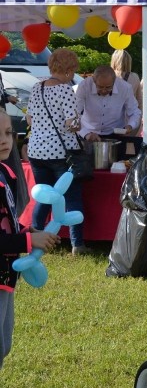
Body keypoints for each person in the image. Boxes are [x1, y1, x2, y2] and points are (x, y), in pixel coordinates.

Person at [0, 109, 61, 388]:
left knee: (2, 344)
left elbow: (6, 220)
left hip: (5, 277)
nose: (4, 140)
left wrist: (28, 230)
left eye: (9, 133)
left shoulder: (5, 172)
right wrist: (27, 241)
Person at [26, 48, 89, 255]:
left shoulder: (37, 87)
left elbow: (29, 119)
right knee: (71, 197)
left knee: (44, 196)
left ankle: (35, 238)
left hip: (36, 151)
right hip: (61, 153)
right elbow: (72, 124)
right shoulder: (65, 90)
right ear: (70, 70)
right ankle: (76, 244)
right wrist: (78, 123)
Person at [76, 65, 141, 142]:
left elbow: (135, 112)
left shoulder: (125, 87)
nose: (104, 91)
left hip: (116, 134)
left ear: (115, 81)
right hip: (88, 132)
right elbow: (75, 113)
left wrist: (130, 125)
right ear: (94, 80)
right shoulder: (84, 86)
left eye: (108, 87)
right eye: (100, 87)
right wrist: (86, 134)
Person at [110, 50, 142, 117]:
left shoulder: (109, 75)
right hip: (129, 116)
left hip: (111, 116)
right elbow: (139, 100)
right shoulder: (135, 77)